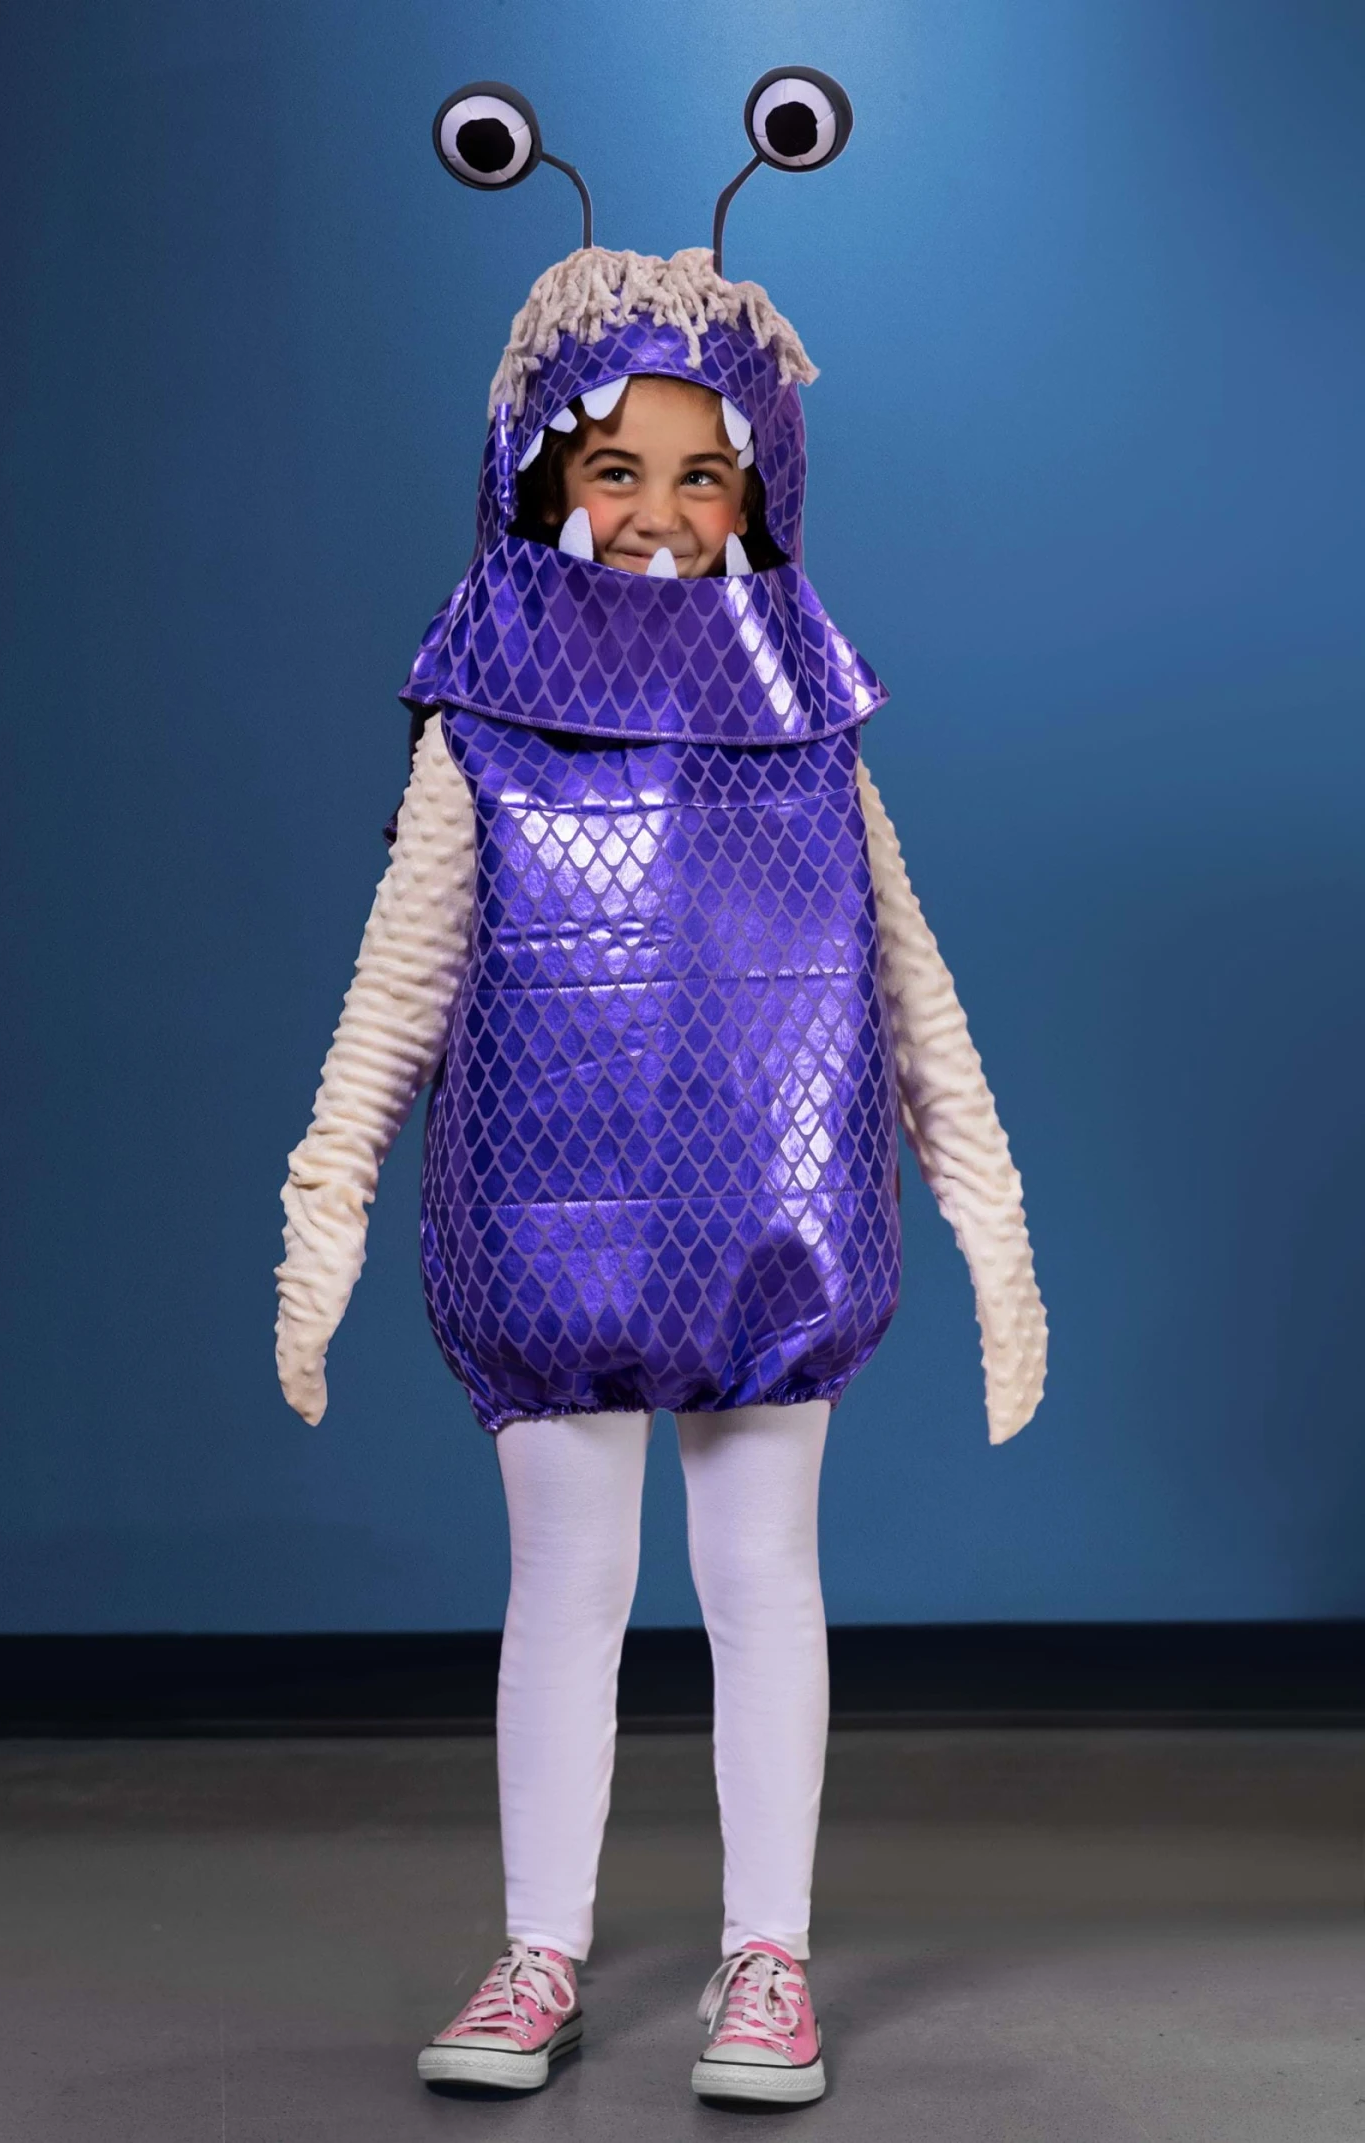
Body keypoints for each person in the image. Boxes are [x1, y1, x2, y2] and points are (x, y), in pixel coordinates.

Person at [275, 101, 1046, 2111]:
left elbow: (912, 987)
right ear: (544, 475)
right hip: (544, 1225)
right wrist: (325, 1204)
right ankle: (540, 1947)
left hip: (770, 1225)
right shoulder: (483, 724)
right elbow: (398, 985)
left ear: (759, 489)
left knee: (763, 1578)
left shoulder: (809, 718)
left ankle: (763, 1958)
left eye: (705, 474)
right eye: (616, 468)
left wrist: (996, 1228)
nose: (658, 510)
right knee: (568, 1585)